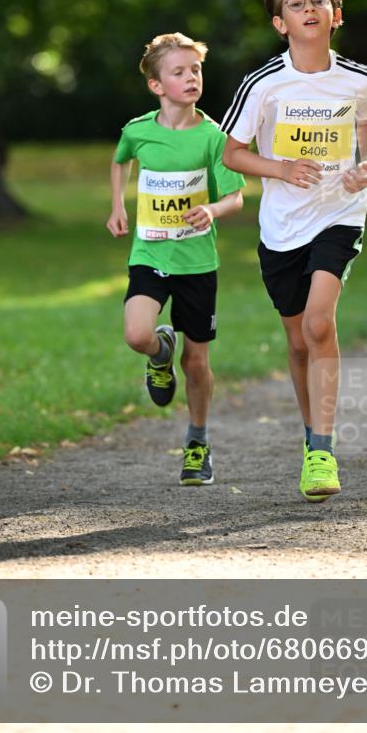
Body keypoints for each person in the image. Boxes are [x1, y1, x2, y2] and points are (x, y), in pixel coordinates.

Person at [221, 0, 367, 501]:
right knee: (296, 341)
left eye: (319, 0)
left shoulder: (357, 78)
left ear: (335, 14)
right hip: (282, 227)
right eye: (297, 3)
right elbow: (232, 153)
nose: (309, 8)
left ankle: (322, 450)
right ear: (280, 23)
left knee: (318, 324)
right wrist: (282, 168)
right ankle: (310, 435)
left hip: (338, 213)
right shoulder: (263, 84)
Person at [107, 32, 245, 485]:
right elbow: (120, 160)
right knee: (136, 334)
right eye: (179, 72)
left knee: (197, 363)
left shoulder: (212, 137)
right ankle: (158, 351)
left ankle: (197, 442)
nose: (191, 78)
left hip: (197, 264)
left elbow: (237, 198)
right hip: (149, 252)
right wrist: (117, 206)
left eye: (196, 70)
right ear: (156, 86)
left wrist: (212, 209)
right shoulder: (137, 130)